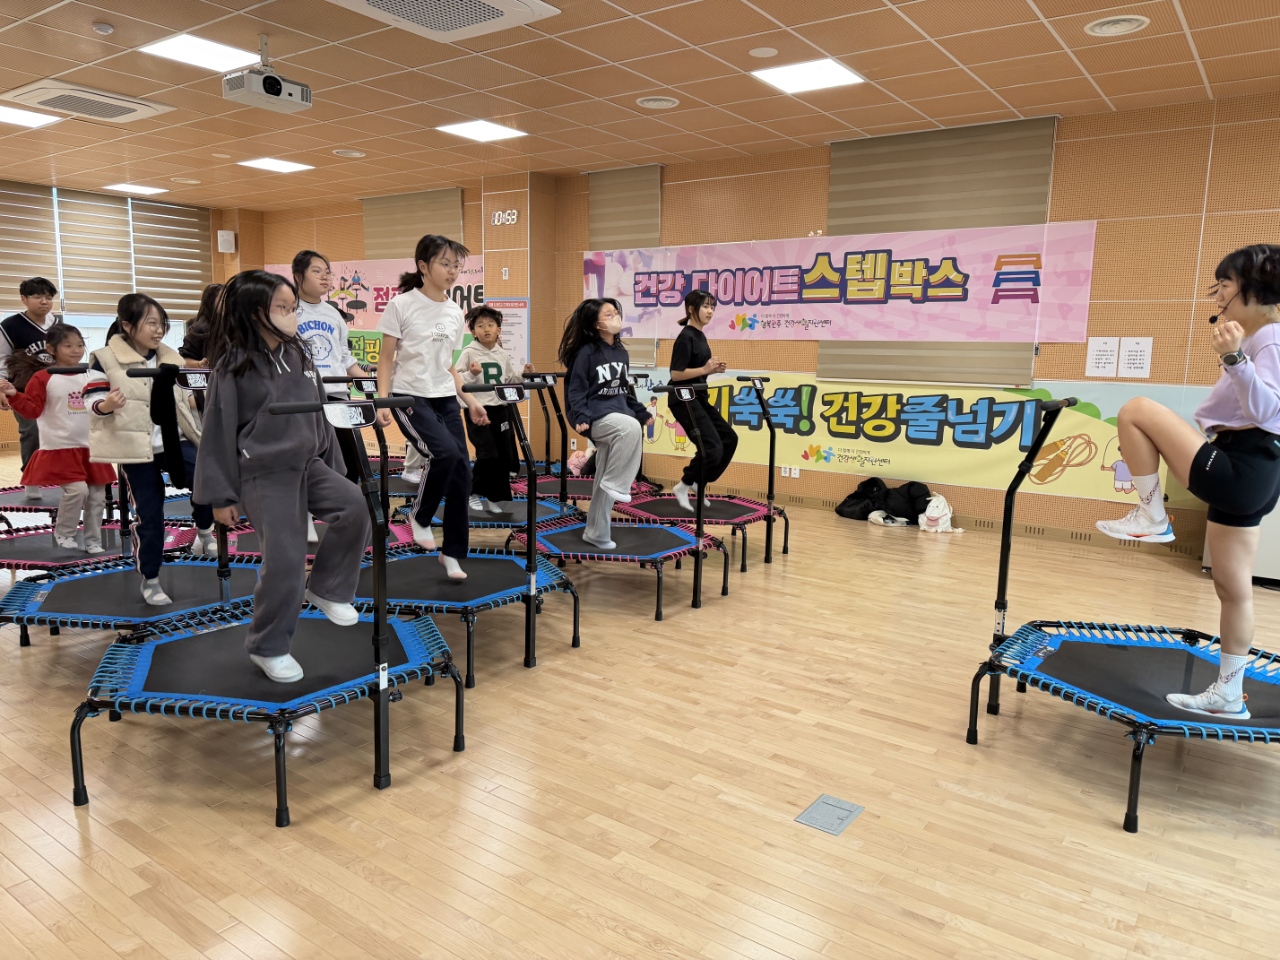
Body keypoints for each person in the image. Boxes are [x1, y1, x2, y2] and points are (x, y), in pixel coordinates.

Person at [1097, 244, 1280, 721]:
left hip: (1245, 463)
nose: (1218, 297)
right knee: (1233, 589)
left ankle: (1151, 515)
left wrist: (1234, 358)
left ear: (1254, 289)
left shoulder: (1270, 339)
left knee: (1136, 410)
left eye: (1224, 286)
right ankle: (1229, 694)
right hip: (1256, 469)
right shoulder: (1263, 338)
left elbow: (1268, 412)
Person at [195, 270, 370, 684]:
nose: (292, 314)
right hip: (264, 473)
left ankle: (327, 588)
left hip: (308, 464)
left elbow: (319, 411)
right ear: (256, 312)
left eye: (293, 307)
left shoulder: (300, 356)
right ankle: (268, 645)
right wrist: (221, 496)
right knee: (286, 560)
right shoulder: (233, 365)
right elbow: (217, 431)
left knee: (355, 506)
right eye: (283, 308)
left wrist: (332, 467)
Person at [85, 294, 214, 606]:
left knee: (207, 477)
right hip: (134, 447)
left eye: (162, 324)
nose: (158, 330)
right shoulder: (104, 358)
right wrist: (106, 404)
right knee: (151, 514)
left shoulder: (172, 357)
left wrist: (199, 397)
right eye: (151, 323)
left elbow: (186, 397)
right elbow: (91, 400)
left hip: (174, 439)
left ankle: (205, 531)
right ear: (128, 325)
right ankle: (151, 579)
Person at [376, 235, 490, 581]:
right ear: (423, 266)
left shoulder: (455, 311)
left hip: (444, 396)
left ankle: (452, 553)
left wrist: (471, 401)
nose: (452, 271)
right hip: (409, 396)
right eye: (445, 263)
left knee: (462, 472)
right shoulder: (401, 305)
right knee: (445, 454)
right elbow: (386, 358)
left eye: (457, 265)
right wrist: (382, 400)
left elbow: (449, 367)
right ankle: (420, 515)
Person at [0, 323, 114, 552]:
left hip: (91, 447)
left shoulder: (93, 375)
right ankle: (64, 532)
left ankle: (93, 540)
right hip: (60, 448)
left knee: (97, 497)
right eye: (68, 346)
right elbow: (32, 410)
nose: (75, 350)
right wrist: (13, 395)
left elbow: (104, 407)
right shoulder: (42, 378)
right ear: (51, 349)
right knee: (77, 490)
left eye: (79, 345)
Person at [560, 298, 653, 550]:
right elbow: (576, 390)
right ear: (597, 324)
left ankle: (597, 533)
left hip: (616, 413)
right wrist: (580, 416)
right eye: (608, 315)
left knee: (605, 471)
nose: (616, 318)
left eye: (616, 313)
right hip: (593, 417)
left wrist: (640, 411)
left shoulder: (621, 353)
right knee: (630, 428)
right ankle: (617, 483)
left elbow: (622, 391)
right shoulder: (586, 353)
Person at [293, 249, 368, 487]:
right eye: (316, 272)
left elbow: (345, 358)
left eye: (327, 272)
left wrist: (372, 386)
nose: (325, 277)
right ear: (298, 276)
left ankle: (344, 506)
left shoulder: (333, 314)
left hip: (337, 396)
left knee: (351, 464)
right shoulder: (289, 311)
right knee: (311, 462)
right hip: (304, 398)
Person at [455, 304, 534, 512]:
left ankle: (494, 497)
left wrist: (524, 374)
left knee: (504, 456)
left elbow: (509, 379)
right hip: (478, 410)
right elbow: (456, 379)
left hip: (500, 409)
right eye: (480, 326)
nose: (486, 329)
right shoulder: (469, 353)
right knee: (488, 453)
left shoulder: (502, 354)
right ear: (474, 332)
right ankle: (472, 492)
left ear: (498, 329)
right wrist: (471, 374)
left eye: (490, 325)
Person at [668, 290, 737, 512]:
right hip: (683, 398)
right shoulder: (686, 336)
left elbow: (696, 370)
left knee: (729, 439)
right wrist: (705, 369)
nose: (710, 311)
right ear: (691, 309)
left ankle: (700, 481)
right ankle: (683, 485)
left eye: (712, 307)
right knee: (711, 447)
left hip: (699, 396)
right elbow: (676, 374)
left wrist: (711, 370)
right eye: (705, 306)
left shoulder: (700, 336)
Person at [1, 277, 59, 497]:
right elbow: (2, 360)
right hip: (23, 389)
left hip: (57, 388)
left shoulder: (58, 325)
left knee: (64, 432)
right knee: (32, 432)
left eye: (48, 297)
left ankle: (65, 476)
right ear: (24, 299)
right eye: (37, 296)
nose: (44, 301)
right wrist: (1, 387)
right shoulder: (10, 326)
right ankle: (31, 479)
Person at [178, 282, 222, 368]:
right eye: (222, 299)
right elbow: (185, 359)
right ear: (211, 302)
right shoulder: (201, 328)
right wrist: (200, 364)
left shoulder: (233, 326)